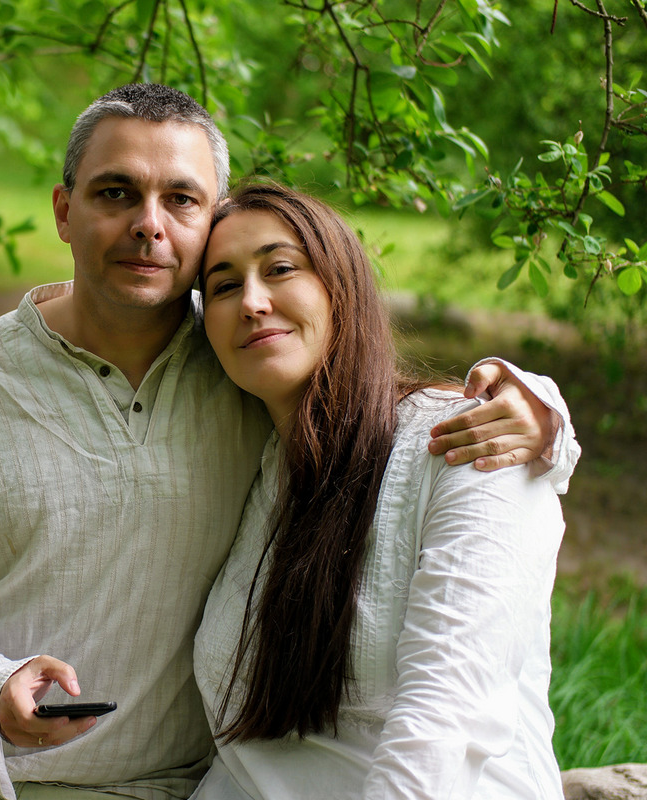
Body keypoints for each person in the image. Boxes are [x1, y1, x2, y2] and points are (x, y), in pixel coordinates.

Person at [0, 84, 573, 800]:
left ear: (208, 222)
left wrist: (540, 412)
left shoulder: (245, 370)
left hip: (152, 791)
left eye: (181, 200)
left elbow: (400, 432)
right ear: (64, 210)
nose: (149, 225)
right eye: (116, 192)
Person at [192, 181, 571, 799]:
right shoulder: (244, 464)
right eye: (225, 286)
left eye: (280, 268)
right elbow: (125, 304)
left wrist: (546, 413)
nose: (253, 303)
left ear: (341, 285)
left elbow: (444, 719)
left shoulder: (468, 446)